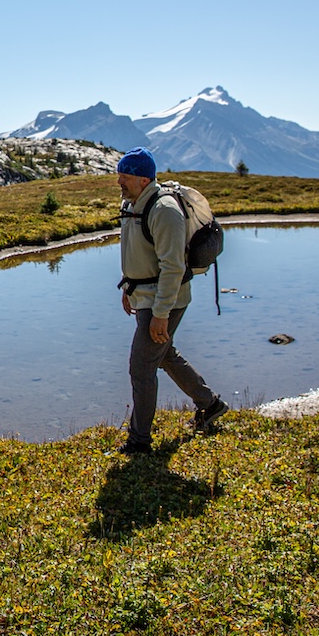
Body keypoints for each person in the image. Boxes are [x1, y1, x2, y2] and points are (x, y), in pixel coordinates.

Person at [115, 147, 227, 455]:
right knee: (163, 355)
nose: (119, 183)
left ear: (142, 178)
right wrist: (128, 287)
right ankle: (211, 404)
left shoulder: (164, 210)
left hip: (165, 301)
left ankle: (139, 442)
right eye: (119, 176)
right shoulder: (132, 203)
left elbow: (173, 266)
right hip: (147, 297)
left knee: (141, 368)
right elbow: (137, 252)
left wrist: (161, 314)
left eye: (125, 177)